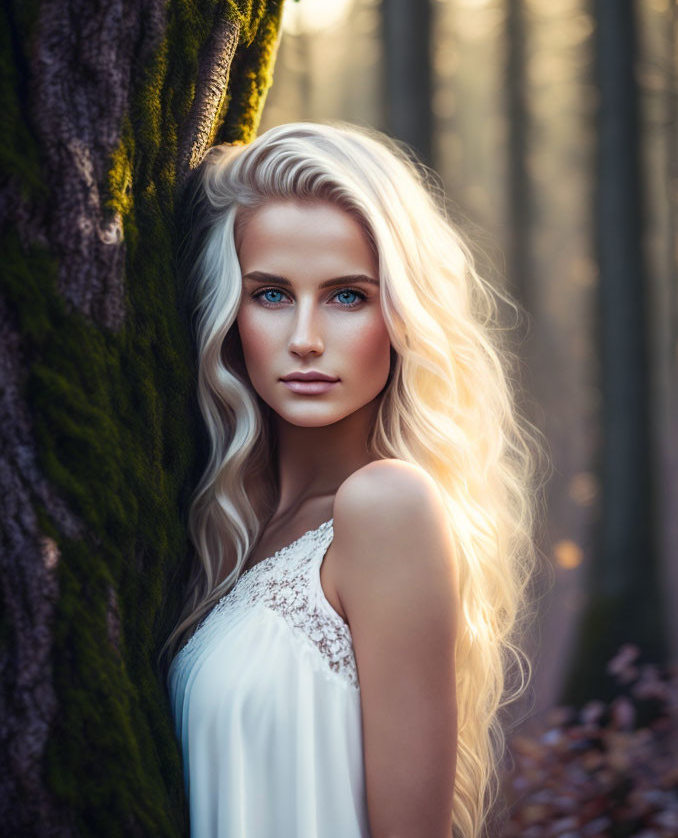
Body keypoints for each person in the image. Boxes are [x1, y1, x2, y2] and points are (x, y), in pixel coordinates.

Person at [159, 122, 541, 838]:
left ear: (402, 315)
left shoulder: (387, 506)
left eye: (346, 296)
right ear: (227, 313)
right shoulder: (231, 524)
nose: (305, 337)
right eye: (271, 295)